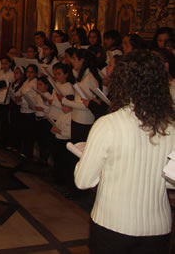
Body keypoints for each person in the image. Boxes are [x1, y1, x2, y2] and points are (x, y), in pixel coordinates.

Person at [75, 50, 175, 253]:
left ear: (123, 82)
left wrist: (93, 163)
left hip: (113, 224)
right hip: (158, 227)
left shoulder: (108, 124)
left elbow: (83, 181)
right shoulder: (171, 126)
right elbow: (170, 178)